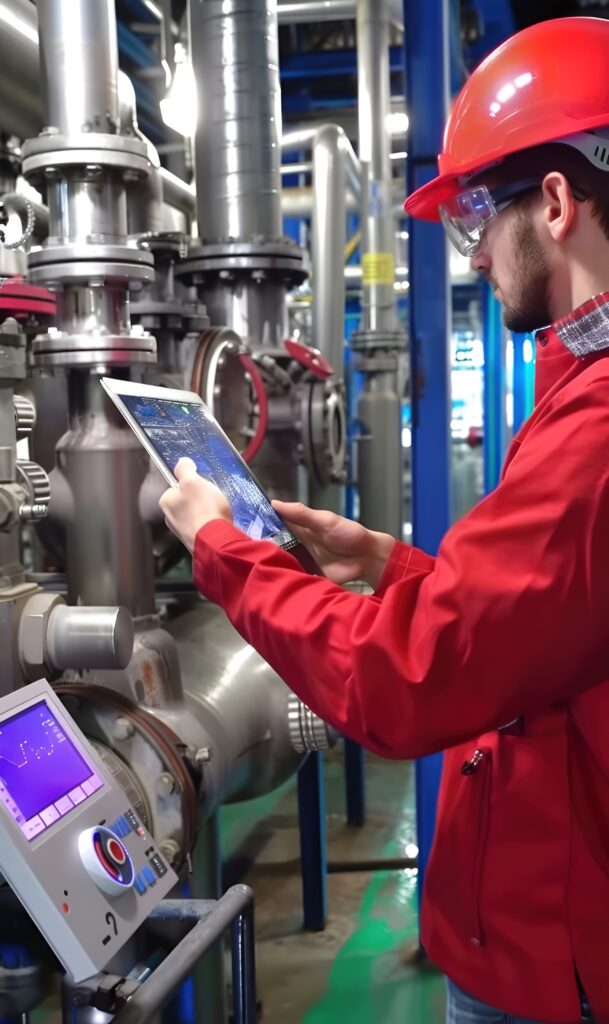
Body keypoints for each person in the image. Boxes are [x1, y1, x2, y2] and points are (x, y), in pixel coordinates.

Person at [159, 16, 609, 1024]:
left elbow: (403, 681)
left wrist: (223, 550)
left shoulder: (596, 428)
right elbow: (541, 619)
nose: (476, 255)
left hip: (560, 958)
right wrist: (393, 565)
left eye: (475, 217)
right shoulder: (578, 390)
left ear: (553, 203)